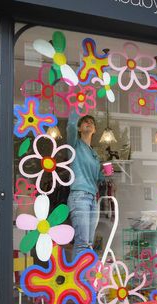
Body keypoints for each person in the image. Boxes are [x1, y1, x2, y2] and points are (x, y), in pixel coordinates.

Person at [67, 104, 105, 259]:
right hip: (79, 196)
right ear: (79, 129)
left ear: (95, 130)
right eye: (85, 122)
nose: (88, 123)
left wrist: (106, 174)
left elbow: (97, 178)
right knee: (82, 242)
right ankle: (78, 280)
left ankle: (83, 278)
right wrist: (80, 105)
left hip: (92, 198)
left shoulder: (94, 154)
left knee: (88, 242)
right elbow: (70, 124)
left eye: (91, 122)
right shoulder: (74, 145)